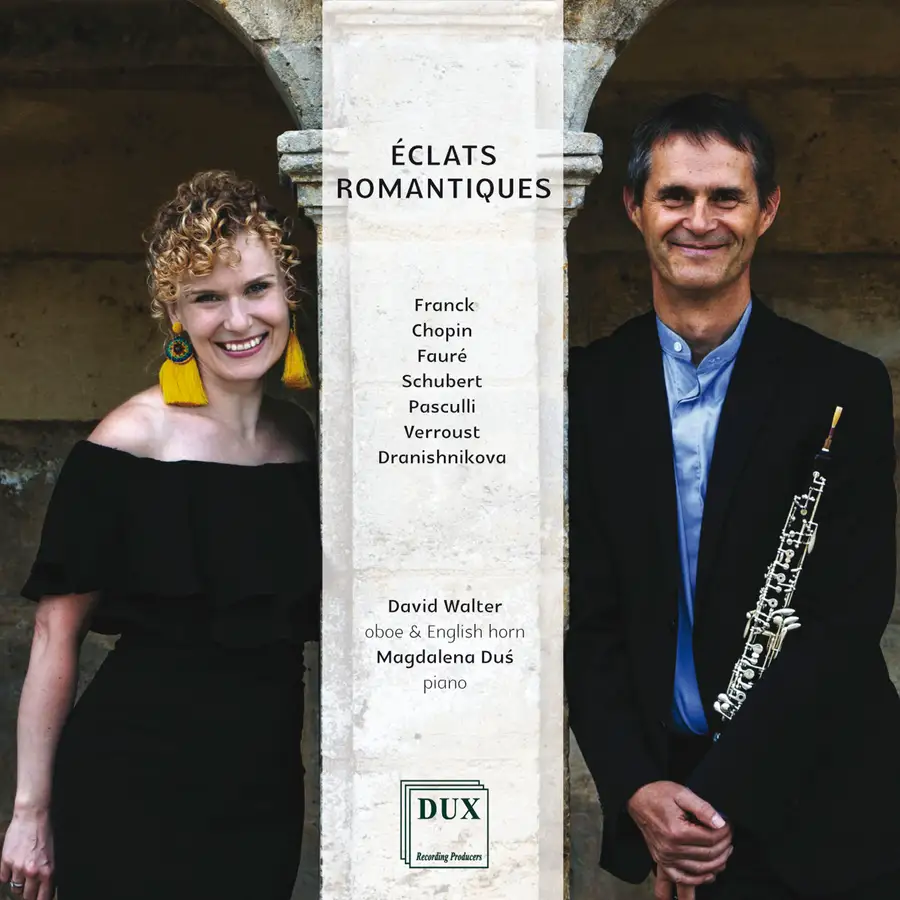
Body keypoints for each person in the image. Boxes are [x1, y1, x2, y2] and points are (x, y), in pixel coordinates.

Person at [566, 94, 900, 900]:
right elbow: (588, 619)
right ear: (635, 207)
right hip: (671, 801)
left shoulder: (844, 386)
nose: (700, 221)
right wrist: (639, 789)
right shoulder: (589, 389)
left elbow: (847, 618)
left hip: (828, 808)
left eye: (726, 197)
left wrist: (709, 803)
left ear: (767, 209)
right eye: (675, 196)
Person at [0, 171, 320, 900]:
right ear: (174, 312)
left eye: (257, 289)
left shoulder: (299, 440)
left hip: (263, 792)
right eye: (207, 298)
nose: (238, 319)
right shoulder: (127, 443)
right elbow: (54, 635)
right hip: (132, 782)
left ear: (288, 295)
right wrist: (30, 813)